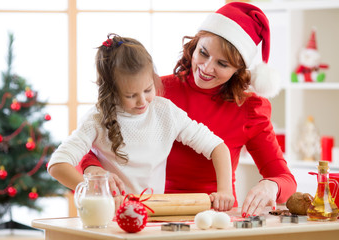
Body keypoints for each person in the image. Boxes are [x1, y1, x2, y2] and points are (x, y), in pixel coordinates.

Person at [79, 2, 297, 217]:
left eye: (222, 64)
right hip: (151, 211)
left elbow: (284, 178)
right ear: (194, 45)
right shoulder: (154, 92)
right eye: (203, 53)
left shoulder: (249, 109)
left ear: (239, 70)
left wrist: (271, 186)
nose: (206, 68)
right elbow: (90, 145)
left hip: (215, 218)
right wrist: (93, 170)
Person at [48, 33, 235, 211]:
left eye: (147, 90)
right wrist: (93, 190)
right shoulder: (96, 119)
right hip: (109, 215)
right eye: (131, 95)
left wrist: (225, 191)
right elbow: (57, 164)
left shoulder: (165, 111)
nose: (142, 101)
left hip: (152, 213)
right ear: (111, 91)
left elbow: (217, 147)